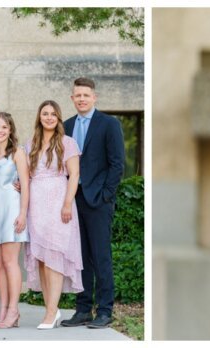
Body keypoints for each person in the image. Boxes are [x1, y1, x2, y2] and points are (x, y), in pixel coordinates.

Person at [59, 77, 125, 329]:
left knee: (101, 257)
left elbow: (117, 163)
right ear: (72, 98)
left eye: (86, 95)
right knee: (80, 257)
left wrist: (106, 195)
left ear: (94, 97)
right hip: (73, 202)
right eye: (78, 95)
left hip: (98, 202)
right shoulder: (66, 126)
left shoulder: (109, 124)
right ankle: (83, 309)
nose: (82, 99)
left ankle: (105, 310)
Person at [25, 100, 83, 330]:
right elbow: (28, 174)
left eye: (52, 114)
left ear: (58, 118)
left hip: (58, 203)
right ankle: (52, 308)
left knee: (55, 257)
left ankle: (50, 312)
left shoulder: (67, 143)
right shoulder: (32, 144)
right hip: (36, 206)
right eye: (44, 113)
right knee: (41, 258)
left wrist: (67, 203)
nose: (48, 117)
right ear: (39, 117)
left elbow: (75, 174)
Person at [0, 112, 30, 329]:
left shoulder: (17, 153)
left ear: (10, 130)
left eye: (4, 127)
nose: (0, 131)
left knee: (11, 263)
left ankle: (14, 309)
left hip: (12, 210)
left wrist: (22, 213)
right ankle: (3, 309)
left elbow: (26, 185)